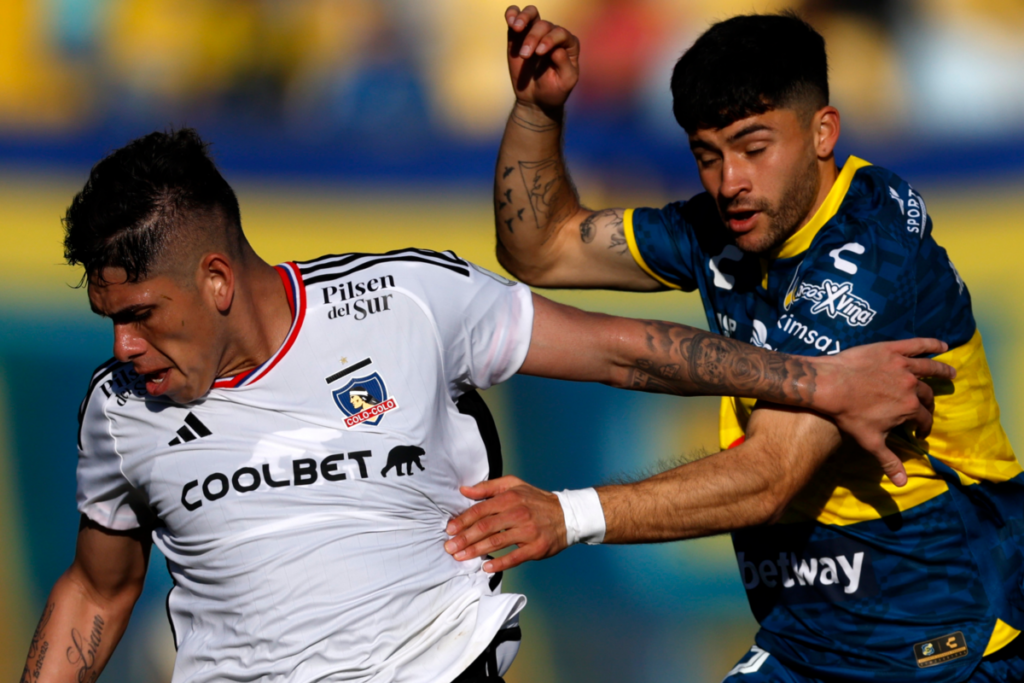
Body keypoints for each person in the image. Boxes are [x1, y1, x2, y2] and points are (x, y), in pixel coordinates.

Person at [19, 129, 947, 683]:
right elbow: (99, 586)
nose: (122, 349)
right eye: (109, 322)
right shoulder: (117, 411)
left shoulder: (407, 302)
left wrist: (817, 382)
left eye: (140, 316)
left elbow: (621, 350)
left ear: (217, 278)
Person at [444, 6, 1024, 682]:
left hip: (943, 637)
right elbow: (541, 247)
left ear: (822, 132)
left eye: (755, 147)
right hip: (810, 632)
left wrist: (566, 515)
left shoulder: (868, 255)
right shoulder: (727, 227)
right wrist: (537, 114)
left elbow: (771, 475)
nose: (730, 182)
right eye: (708, 155)